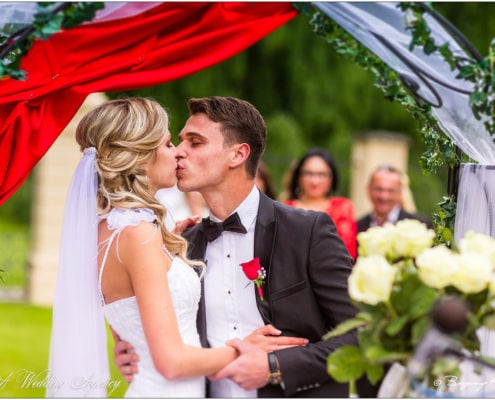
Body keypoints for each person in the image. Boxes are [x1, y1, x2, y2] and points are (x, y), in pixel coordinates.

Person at [114, 96, 371, 397]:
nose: (179, 152)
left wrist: (275, 366)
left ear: (238, 154)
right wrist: (133, 348)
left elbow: (360, 334)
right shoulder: (184, 244)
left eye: (195, 142)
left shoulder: (307, 231)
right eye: (180, 141)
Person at [47, 97, 284, 398]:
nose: (178, 153)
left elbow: (124, 313)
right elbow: (172, 362)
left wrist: (167, 247)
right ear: (142, 158)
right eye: (169, 144)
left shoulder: (108, 230)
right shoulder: (138, 235)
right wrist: (245, 349)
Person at [282, 148, 358, 259]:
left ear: (332, 178)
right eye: (308, 173)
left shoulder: (343, 207)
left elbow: (347, 252)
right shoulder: (284, 208)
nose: (314, 181)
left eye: (321, 174)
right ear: (298, 177)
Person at [357, 165, 432, 233]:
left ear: (400, 193)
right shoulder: (357, 227)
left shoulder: (421, 225)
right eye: (378, 189)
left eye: (391, 190)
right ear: (368, 190)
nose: (384, 196)